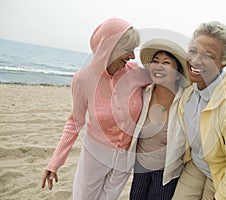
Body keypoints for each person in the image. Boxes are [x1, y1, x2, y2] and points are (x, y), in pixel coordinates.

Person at [41, 17, 151, 200]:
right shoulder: (83, 79)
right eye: (127, 49)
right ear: (108, 47)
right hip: (95, 154)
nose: (132, 56)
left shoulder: (135, 73)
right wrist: (55, 161)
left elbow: (170, 78)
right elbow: (75, 122)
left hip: (126, 157)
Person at [172, 21, 226, 200]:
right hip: (198, 163)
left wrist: (223, 196)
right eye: (193, 51)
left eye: (209, 56)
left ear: (223, 63)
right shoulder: (189, 92)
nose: (195, 60)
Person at [128, 39, 190, 199]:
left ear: (178, 74)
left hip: (167, 173)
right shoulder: (142, 93)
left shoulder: (186, 100)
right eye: (155, 61)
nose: (159, 66)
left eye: (166, 62)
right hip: (140, 167)